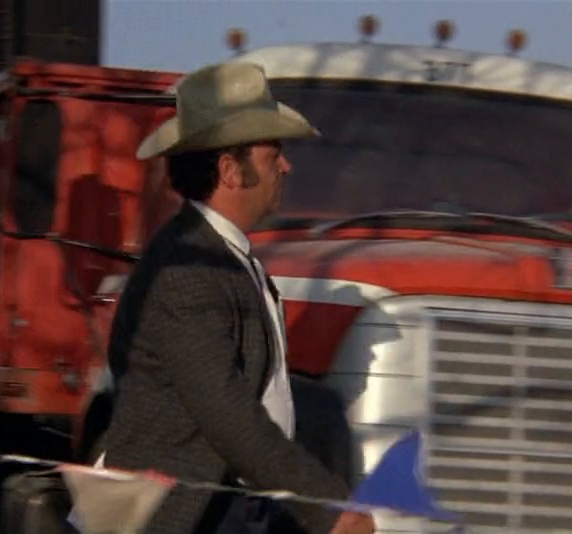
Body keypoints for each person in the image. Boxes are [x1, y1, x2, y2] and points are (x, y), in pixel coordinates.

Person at [94, 61, 376, 534]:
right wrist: (325, 507)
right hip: (186, 517)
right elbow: (228, 413)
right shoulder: (185, 270)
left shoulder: (221, 255)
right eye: (273, 154)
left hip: (233, 507)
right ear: (230, 170)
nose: (286, 165)